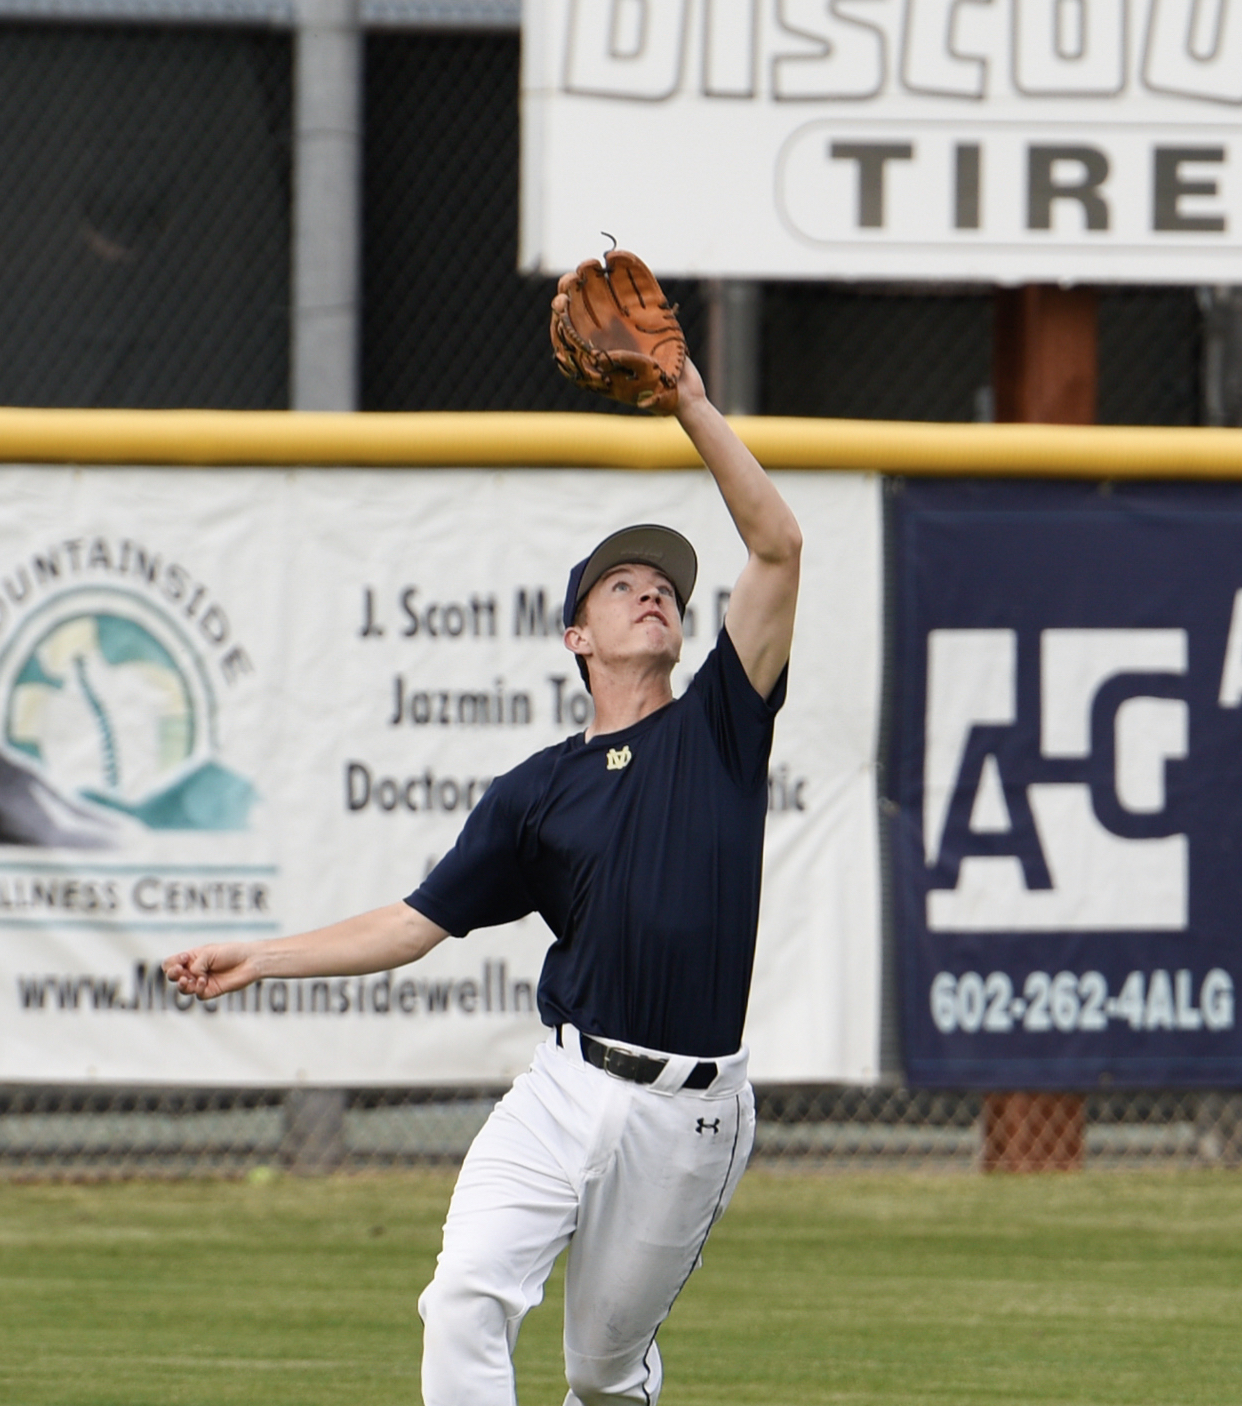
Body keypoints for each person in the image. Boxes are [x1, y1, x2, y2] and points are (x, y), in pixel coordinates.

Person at [163, 354, 801, 1406]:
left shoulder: (722, 728)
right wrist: (260, 958)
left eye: (667, 589)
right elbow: (416, 924)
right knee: (463, 1291)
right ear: (576, 637)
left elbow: (777, 544)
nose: (653, 594)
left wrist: (689, 401)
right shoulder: (535, 792)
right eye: (623, 585)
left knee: (600, 1376)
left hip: (687, 1117)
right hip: (565, 1086)